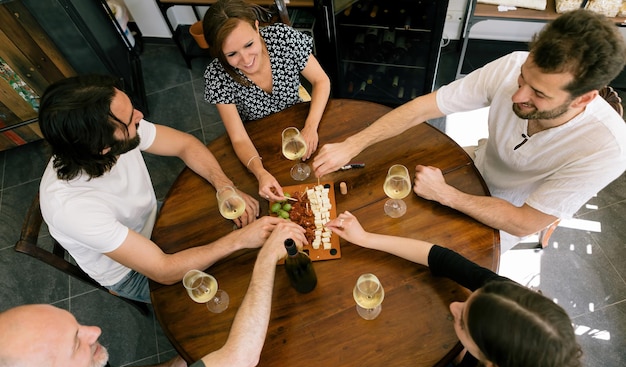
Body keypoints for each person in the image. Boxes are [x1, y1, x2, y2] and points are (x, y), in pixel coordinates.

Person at [314, 9, 626, 251]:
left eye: (539, 94)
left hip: (507, 217)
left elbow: (524, 222)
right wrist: (354, 143)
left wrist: (446, 194)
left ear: (584, 98)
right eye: (522, 79)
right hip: (472, 165)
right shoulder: (510, 65)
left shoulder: (608, 149)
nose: (517, 96)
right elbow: (425, 107)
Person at [0, 221, 307, 367]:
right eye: (75, 344)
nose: (94, 330)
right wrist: (267, 256)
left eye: (77, 325)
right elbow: (244, 355)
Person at [38, 74, 277, 304]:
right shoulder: (72, 209)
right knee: (241, 282)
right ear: (102, 148)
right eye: (131, 118)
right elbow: (163, 270)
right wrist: (237, 241)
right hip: (133, 272)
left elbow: (185, 145)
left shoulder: (112, 129)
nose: (140, 116)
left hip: (154, 219)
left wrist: (225, 187)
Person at [325, 211, 581, 367]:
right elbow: (440, 258)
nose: (453, 307)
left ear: (490, 363)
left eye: (462, 321)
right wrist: (366, 238)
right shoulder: (505, 297)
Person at [203, 0, 331, 201]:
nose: (245, 60)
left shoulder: (283, 37)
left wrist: (310, 127)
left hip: (301, 122)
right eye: (232, 54)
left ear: (256, 27)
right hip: (257, 141)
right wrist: (260, 172)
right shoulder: (216, 75)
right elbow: (238, 137)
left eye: (249, 44)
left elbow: (321, 80)